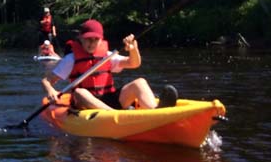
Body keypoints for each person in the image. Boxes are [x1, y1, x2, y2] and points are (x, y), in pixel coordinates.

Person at [41, 19, 177, 110]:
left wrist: (133, 50)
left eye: (95, 40)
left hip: (110, 99)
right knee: (79, 92)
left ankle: (155, 111)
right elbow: (47, 80)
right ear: (80, 39)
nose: (91, 43)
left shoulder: (107, 56)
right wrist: (50, 90)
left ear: (101, 41)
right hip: (86, 104)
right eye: (88, 39)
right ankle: (114, 115)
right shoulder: (71, 59)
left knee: (140, 82)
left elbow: (133, 63)